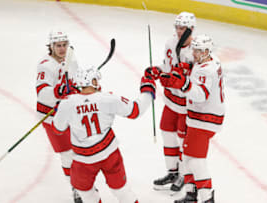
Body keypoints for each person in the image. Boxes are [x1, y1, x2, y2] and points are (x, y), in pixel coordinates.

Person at [51, 66, 156, 203]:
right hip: (109, 154)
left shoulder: (68, 104)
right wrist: (147, 89)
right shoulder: (107, 98)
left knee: (88, 196)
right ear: (93, 82)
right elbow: (136, 110)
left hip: (83, 160)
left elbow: (58, 129)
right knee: (122, 191)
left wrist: (59, 108)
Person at [159, 34, 225, 203]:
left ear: (207, 51)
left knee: (196, 161)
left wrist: (183, 83)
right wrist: (182, 70)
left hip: (204, 119)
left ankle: (207, 198)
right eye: (195, 49)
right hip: (199, 117)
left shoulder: (207, 70)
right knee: (188, 156)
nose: (195, 53)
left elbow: (201, 94)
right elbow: (192, 70)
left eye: (199, 50)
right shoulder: (209, 61)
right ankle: (191, 194)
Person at [148, 11, 196, 193]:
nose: (178, 31)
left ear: (190, 29)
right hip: (170, 100)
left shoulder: (196, 49)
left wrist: (185, 74)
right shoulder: (170, 43)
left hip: (187, 105)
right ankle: (172, 172)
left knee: (182, 140)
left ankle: (184, 175)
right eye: (177, 27)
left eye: (182, 28)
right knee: (167, 133)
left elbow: (199, 79)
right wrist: (157, 71)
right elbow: (167, 67)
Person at [36, 30, 82, 203]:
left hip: (70, 113)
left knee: (79, 151)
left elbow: (76, 82)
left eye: (64, 45)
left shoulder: (72, 61)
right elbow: (41, 93)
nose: (62, 49)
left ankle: (82, 183)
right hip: (50, 117)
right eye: (58, 46)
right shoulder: (45, 65)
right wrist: (59, 90)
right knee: (67, 154)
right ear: (51, 46)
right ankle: (76, 188)